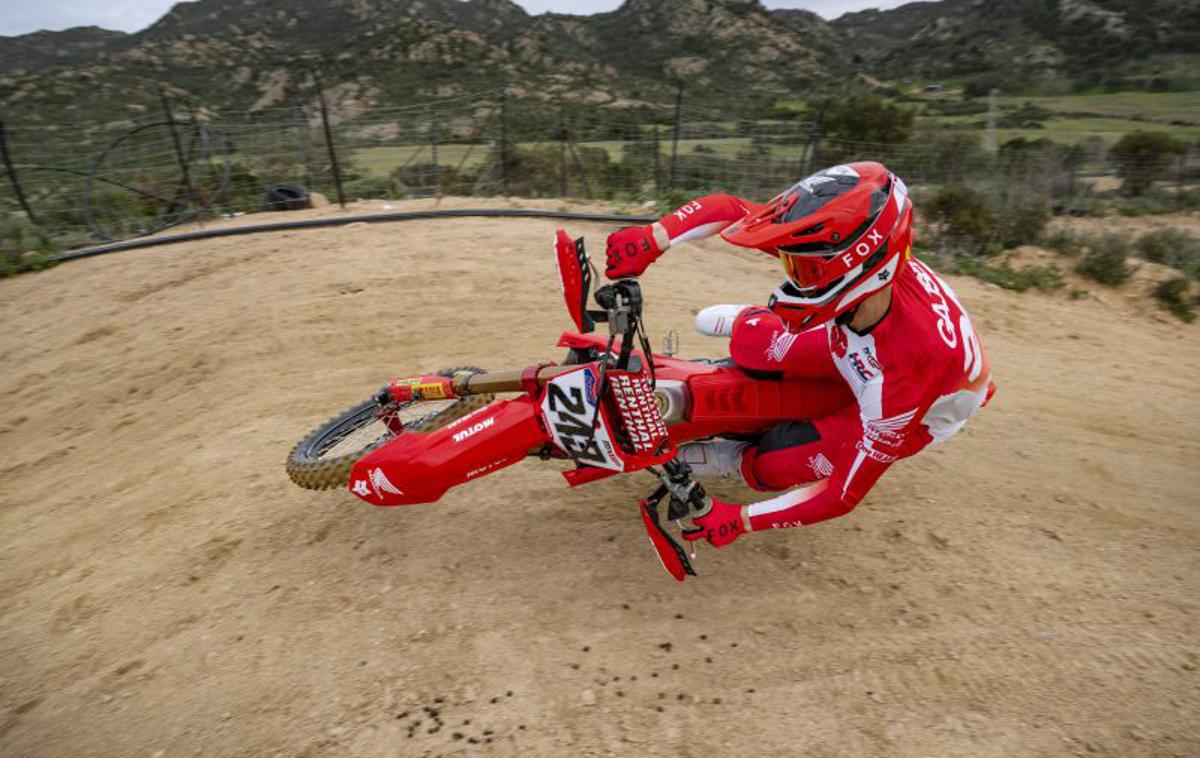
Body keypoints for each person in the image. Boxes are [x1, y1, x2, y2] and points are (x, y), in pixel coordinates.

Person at [604, 162, 995, 548]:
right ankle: (746, 327)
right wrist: (655, 237)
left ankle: (730, 461)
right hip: (859, 339)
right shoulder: (849, 260)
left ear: (859, 271)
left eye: (803, 270)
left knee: (772, 464)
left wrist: (740, 520)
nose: (793, 275)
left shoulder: (903, 380)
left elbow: (841, 494)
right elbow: (730, 210)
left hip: (919, 404)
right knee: (751, 344)